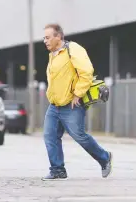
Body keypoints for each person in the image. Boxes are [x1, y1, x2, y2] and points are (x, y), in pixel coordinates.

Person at [41, 23, 113, 181]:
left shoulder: (72, 49)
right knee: (50, 135)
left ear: (58, 36)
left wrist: (78, 94)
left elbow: (86, 72)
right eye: (44, 38)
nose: (44, 41)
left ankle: (104, 157)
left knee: (79, 135)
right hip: (54, 105)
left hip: (71, 104)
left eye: (47, 37)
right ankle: (57, 169)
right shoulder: (53, 54)